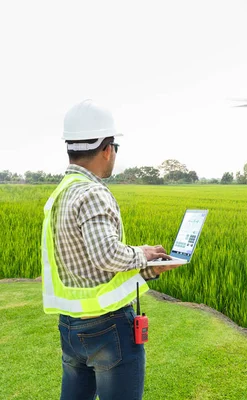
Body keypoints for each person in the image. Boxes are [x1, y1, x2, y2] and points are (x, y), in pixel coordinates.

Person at [41, 99, 185, 400]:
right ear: (107, 148)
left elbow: (88, 266)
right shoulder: (92, 193)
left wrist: (146, 270)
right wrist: (142, 253)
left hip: (70, 326)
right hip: (106, 329)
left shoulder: (61, 194)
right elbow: (105, 255)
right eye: (115, 147)